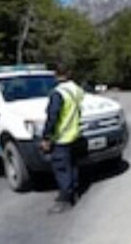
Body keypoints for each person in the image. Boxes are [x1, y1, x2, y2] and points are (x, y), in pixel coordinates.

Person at [40, 63, 84, 214]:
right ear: (69, 73)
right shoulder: (76, 90)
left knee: (62, 169)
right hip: (75, 134)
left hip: (62, 137)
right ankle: (74, 194)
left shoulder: (58, 93)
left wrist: (46, 137)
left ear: (56, 75)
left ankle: (65, 200)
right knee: (72, 166)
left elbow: (53, 117)